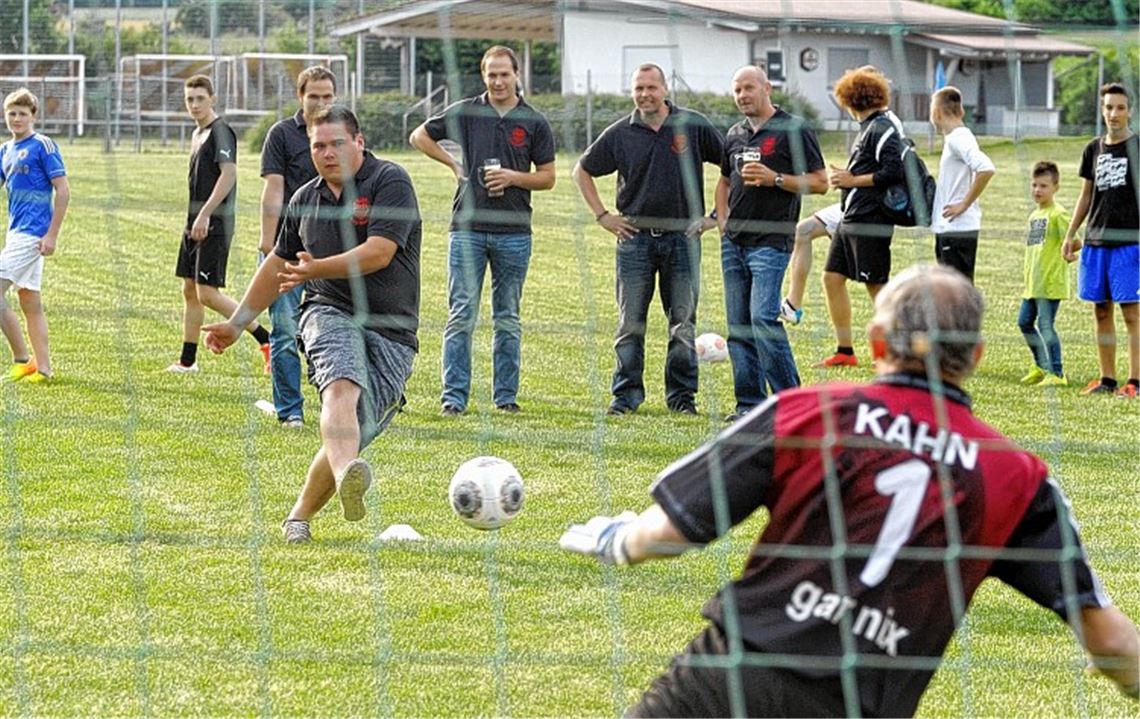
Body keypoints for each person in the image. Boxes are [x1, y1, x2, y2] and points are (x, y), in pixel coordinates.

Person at [561, 264, 1140, 717]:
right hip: (859, 703)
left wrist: (619, 538)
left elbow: (670, 533)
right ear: (976, 358)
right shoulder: (1015, 476)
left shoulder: (806, 412)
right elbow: (1107, 634)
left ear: (877, 341)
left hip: (731, 679)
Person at [204, 105, 421, 543]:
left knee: (352, 430)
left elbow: (380, 252)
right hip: (328, 311)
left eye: (336, 143)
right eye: (317, 145)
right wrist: (236, 322)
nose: (326, 152)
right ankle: (347, 476)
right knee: (340, 384)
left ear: (358, 142)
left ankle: (298, 517)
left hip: (393, 329)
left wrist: (318, 266)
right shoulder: (304, 199)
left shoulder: (389, 181)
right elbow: (276, 267)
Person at [409, 45, 556, 416]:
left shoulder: (534, 121)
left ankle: (505, 398)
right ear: (483, 75)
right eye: (492, 74)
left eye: (505, 74)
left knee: (507, 318)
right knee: (461, 315)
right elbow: (419, 136)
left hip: (514, 232)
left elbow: (548, 178)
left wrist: (513, 177)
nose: (498, 81)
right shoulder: (468, 111)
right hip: (468, 229)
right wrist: (453, 164)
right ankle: (453, 399)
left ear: (517, 75)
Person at [572, 63, 724, 416]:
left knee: (683, 324)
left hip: (683, 239)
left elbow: (728, 166)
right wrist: (603, 216)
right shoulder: (621, 132)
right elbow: (582, 170)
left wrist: (714, 218)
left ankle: (682, 398)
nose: (644, 94)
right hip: (635, 241)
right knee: (630, 324)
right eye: (638, 88)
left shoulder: (693, 125)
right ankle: (625, 397)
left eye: (651, 87)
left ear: (665, 89)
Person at [714, 65, 827, 421]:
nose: (743, 95)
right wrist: (722, 221)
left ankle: (793, 403)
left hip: (772, 241)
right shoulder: (734, 134)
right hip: (734, 243)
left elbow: (821, 183)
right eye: (737, 90)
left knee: (763, 319)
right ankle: (749, 405)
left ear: (767, 88)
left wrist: (775, 178)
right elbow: (723, 182)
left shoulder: (793, 129)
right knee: (739, 326)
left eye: (749, 88)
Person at [169, 74, 270, 373]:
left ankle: (267, 339)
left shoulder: (221, 131)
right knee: (189, 289)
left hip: (213, 222)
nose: (195, 104)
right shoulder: (196, 134)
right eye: (190, 99)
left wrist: (206, 214)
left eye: (200, 98)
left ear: (213, 98)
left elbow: (228, 175)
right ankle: (188, 362)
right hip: (194, 221)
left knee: (206, 293)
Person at [256, 65, 338, 428]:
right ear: (300, 97)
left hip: (333, 251)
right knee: (286, 329)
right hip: (289, 248)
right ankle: (290, 411)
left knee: (337, 329)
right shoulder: (282, 135)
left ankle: (343, 404)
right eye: (313, 96)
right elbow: (274, 189)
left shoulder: (342, 133)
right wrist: (268, 240)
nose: (321, 103)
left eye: (327, 96)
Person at [818, 66, 906, 369]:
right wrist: (846, 176)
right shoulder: (869, 127)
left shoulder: (882, 128)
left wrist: (851, 181)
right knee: (831, 278)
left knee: (877, 286)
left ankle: (900, 350)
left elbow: (894, 171)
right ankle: (845, 350)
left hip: (871, 219)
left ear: (849, 99)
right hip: (851, 217)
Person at [1062, 82, 1140, 399]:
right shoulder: (1092, 149)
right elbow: (1085, 195)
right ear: (1102, 110)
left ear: (1130, 111)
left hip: (1129, 243)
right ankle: (1107, 380)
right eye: (1108, 107)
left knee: (1131, 313)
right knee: (1101, 311)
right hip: (1095, 243)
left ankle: (1135, 382)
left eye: (1120, 107)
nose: (1114, 113)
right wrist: (1071, 233)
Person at [0, 88, 70, 383]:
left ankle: (21, 359)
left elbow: (63, 191)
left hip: (33, 235)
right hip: (15, 232)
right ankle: (44, 369)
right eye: (11, 113)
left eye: (22, 114)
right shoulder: (4, 150)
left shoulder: (43, 145)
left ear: (34, 116)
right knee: (29, 300)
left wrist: (51, 235)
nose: (16, 119)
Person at [929, 86, 996, 284]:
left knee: (957, 292)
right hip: (949, 228)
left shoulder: (958, 138)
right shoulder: (957, 138)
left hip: (956, 229)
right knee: (950, 292)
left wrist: (963, 204)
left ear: (937, 112)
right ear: (961, 110)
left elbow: (986, 168)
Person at [1018, 161, 1071, 387]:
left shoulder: (1058, 214)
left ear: (1056, 187)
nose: (1038, 190)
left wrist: (1069, 251)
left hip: (1050, 283)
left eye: (1044, 186)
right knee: (1024, 322)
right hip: (1033, 283)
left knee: (1046, 326)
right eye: (1034, 185)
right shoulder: (1034, 215)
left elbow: (1074, 240)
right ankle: (1041, 366)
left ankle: (1057, 373)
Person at [779, 202, 842, 326]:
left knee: (874, 281)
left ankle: (889, 318)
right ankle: (793, 305)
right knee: (805, 229)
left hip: (872, 202)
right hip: (851, 201)